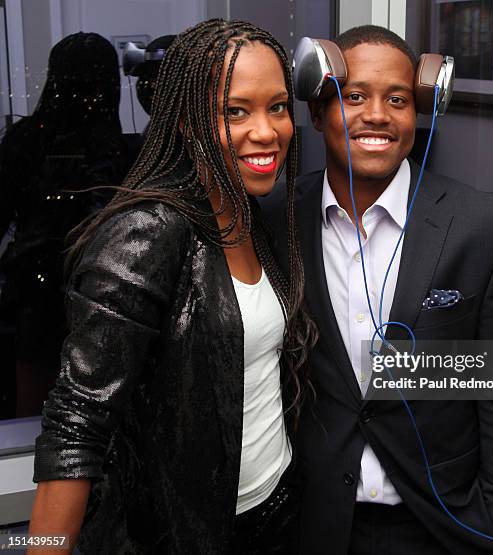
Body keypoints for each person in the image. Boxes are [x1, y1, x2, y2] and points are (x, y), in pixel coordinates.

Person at [28, 19, 316, 555]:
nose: (266, 130)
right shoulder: (149, 232)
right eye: (236, 110)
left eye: (278, 107)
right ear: (186, 122)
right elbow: (76, 423)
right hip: (184, 533)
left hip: (276, 507)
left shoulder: (255, 215)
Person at [261, 25, 493, 555]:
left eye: (399, 99)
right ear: (316, 113)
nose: (378, 116)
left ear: (423, 109)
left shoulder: (485, 228)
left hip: (435, 524)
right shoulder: (275, 219)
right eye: (355, 96)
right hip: (307, 520)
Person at [0, 32, 130, 417]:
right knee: (38, 411)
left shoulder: (113, 147)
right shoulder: (30, 142)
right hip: (45, 294)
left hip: (96, 295)